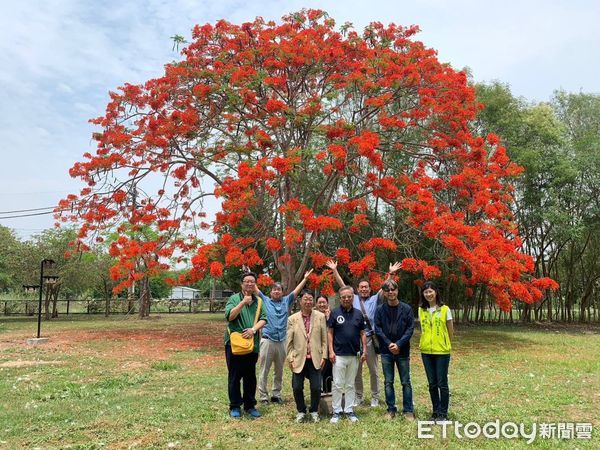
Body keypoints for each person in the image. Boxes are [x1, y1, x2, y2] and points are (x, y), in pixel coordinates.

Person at [326, 260, 401, 407]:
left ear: (369, 289)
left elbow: (385, 287)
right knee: (356, 371)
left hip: (370, 339)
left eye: (366, 287)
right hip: (355, 340)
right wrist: (335, 270)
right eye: (361, 287)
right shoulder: (353, 299)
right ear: (357, 289)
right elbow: (343, 287)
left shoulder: (375, 299)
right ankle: (358, 396)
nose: (364, 289)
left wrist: (391, 274)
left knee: (373, 370)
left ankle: (374, 396)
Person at [256, 269, 313, 404]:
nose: (276, 292)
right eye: (274, 290)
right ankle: (263, 396)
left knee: (279, 370)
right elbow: (255, 289)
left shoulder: (286, 301)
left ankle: (276, 394)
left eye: (279, 290)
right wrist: (248, 274)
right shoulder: (264, 300)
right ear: (271, 292)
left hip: (282, 341)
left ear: (282, 292)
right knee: (264, 369)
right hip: (267, 340)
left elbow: (296, 291)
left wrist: (305, 279)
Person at [224, 272, 268, 418]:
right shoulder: (234, 298)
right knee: (234, 376)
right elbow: (230, 316)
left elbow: (264, 319)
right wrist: (243, 302)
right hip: (234, 345)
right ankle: (235, 406)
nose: (249, 284)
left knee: (250, 376)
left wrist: (253, 330)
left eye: (252, 282)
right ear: (241, 283)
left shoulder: (259, 301)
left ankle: (250, 405)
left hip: (252, 345)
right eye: (246, 281)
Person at [374, 279, 415, 420]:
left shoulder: (406, 309)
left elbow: (410, 329)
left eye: (393, 289)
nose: (390, 292)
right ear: (384, 293)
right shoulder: (380, 310)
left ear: (397, 290)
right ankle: (391, 409)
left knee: (406, 382)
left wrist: (399, 344)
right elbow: (377, 329)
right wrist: (389, 344)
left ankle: (408, 410)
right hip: (386, 352)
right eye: (387, 290)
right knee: (388, 381)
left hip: (402, 351)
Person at [286, 290, 328, 422]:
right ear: (300, 301)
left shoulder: (320, 317)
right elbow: (289, 342)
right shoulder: (292, 319)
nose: (308, 301)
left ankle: (314, 410)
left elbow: (324, 339)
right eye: (305, 299)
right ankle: (301, 411)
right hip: (299, 358)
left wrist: (324, 357)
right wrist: (290, 358)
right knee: (297, 387)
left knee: (316, 387)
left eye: (310, 299)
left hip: (315, 358)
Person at [327, 285, 366, 423]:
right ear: (340, 298)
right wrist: (331, 351)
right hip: (338, 355)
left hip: (354, 355)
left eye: (349, 296)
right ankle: (336, 411)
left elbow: (363, 333)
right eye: (343, 297)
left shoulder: (358, 314)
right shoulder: (335, 313)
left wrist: (365, 350)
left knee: (350, 384)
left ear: (353, 297)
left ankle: (349, 410)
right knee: (337, 384)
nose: (346, 299)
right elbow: (330, 332)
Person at [418, 281, 454, 422]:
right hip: (426, 351)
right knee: (432, 383)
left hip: (442, 352)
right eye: (426, 292)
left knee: (442, 383)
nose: (428, 294)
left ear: (436, 292)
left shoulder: (445, 309)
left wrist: (446, 344)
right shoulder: (421, 310)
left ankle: (443, 413)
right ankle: (435, 410)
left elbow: (450, 330)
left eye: (430, 291)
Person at [315, 294, 332, 393]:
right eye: (319, 303)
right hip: (317, 349)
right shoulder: (313, 316)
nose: (322, 305)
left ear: (327, 304)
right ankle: (318, 393)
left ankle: (328, 393)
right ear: (316, 304)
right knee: (318, 372)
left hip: (329, 349)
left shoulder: (331, 315)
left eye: (323, 302)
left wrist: (328, 318)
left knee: (328, 373)